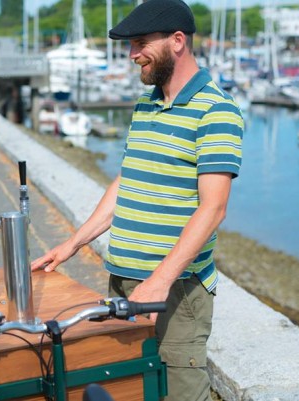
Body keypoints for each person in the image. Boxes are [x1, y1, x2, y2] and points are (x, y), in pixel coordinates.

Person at [31, 1, 244, 400]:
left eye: (141, 43)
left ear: (177, 41)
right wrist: (72, 244)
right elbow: (127, 181)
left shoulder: (217, 110)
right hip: (125, 285)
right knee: (129, 391)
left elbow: (213, 208)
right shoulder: (146, 103)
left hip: (174, 293)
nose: (132, 56)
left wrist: (158, 282)